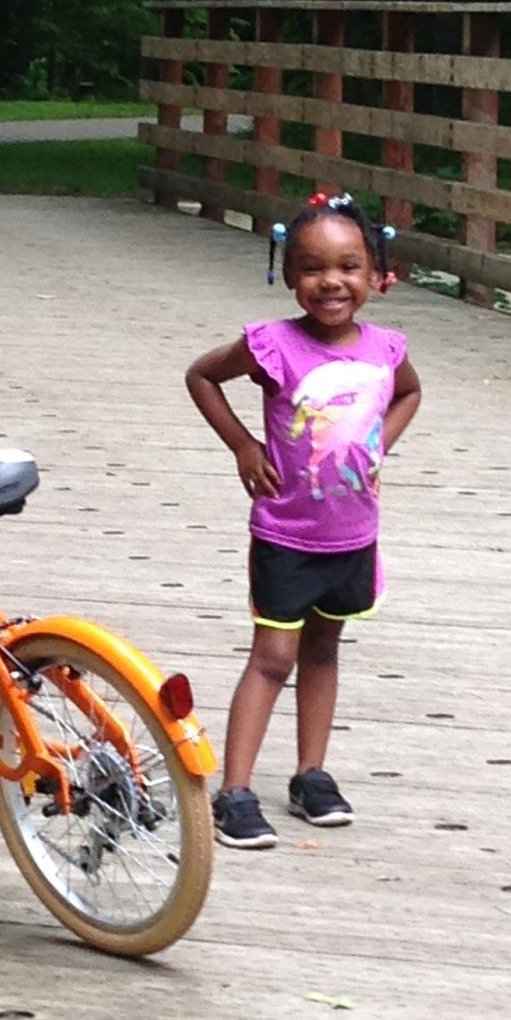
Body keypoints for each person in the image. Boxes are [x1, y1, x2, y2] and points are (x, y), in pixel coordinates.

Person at [185, 192, 423, 850]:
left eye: (349, 266)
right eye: (312, 267)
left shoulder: (385, 349)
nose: (331, 282)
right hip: (285, 534)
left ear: (378, 274)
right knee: (273, 658)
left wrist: (379, 444)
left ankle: (310, 775)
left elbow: (408, 393)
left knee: (323, 650)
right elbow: (202, 376)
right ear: (289, 274)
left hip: (353, 534)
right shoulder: (274, 346)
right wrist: (243, 445)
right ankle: (234, 792)